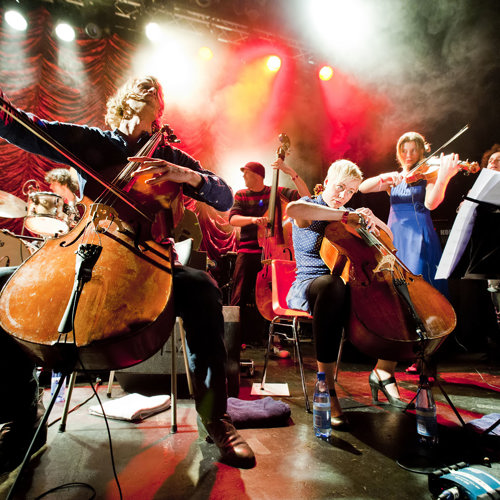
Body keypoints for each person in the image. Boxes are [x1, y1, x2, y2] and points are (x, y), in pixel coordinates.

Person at [0, 76, 255, 472]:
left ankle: (216, 419)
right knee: (4, 285)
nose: (147, 90)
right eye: (140, 88)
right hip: (86, 251)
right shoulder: (94, 142)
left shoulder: (169, 157)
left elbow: (222, 195)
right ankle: (22, 417)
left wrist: (187, 177)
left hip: (149, 261)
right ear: (121, 101)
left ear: (160, 114)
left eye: (155, 91)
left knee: (203, 289)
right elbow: (34, 132)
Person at [286, 159, 411, 429]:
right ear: (327, 181)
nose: (343, 195)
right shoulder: (312, 205)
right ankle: (326, 386)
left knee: (395, 291)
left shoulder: (351, 212)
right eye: (340, 187)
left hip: (347, 283)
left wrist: (373, 219)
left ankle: (384, 369)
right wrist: (344, 215)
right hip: (310, 283)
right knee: (332, 286)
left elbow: (389, 239)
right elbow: (293, 207)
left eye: (351, 191)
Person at [358, 132, 460, 296]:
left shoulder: (428, 175)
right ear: (399, 153)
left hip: (418, 236)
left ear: (421, 151)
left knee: (419, 280)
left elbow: (431, 204)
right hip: (395, 235)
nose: (408, 155)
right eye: (404, 151)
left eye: (413, 150)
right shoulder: (395, 178)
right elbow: (363, 187)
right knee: (396, 282)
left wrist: (443, 177)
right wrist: (385, 177)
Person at [229, 159, 309, 349]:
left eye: (246, 173)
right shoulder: (241, 194)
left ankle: (271, 336)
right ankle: (234, 337)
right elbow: (233, 219)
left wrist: (290, 171)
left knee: (273, 295)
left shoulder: (276, 192)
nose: (243, 177)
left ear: (257, 175)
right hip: (249, 251)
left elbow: (306, 197)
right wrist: (254, 219)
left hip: (275, 252)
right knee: (239, 293)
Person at [462, 144, 500, 353]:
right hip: (490, 252)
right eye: (491, 162)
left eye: (498, 161)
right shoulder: (479, 189)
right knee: (495, 298)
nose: (493, 164)